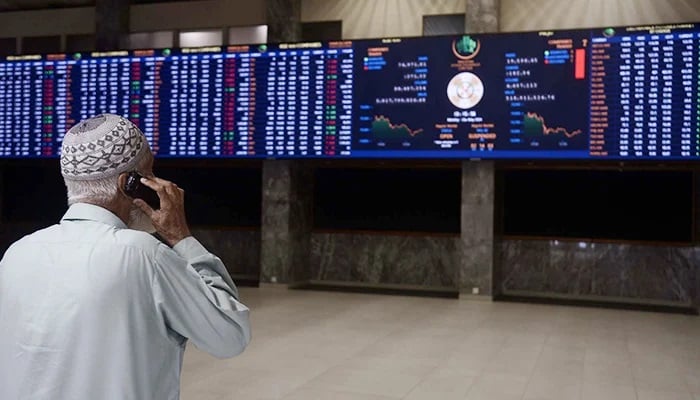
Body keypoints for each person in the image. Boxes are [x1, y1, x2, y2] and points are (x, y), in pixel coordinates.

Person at [0, 114, 251, 400]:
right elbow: (230, 335)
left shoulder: (16, 255)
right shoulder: (143, 255)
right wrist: (182, 238)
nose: (156, 183)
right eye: (150, 173)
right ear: (128, 183)